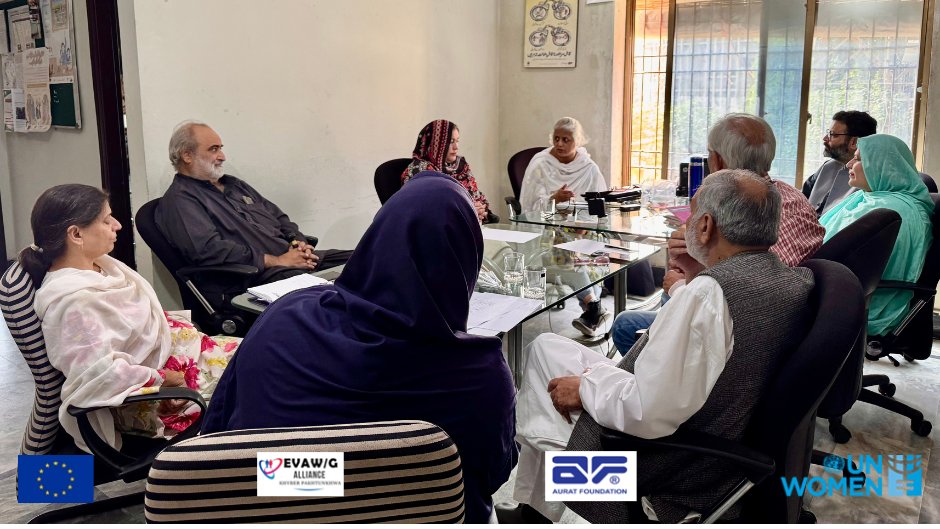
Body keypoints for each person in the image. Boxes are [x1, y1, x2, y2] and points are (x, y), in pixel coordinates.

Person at [202, 171, 517, 524]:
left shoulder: (284, 317)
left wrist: (332, 481)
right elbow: (493, 474)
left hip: (279, 508)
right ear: (466, 260)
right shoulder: (481, 375)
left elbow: (219, 433)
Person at [504, 170, 814, 524]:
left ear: (706, 226)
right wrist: (693, 277)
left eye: (692, 215)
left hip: (663, 473)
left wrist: (587, 388)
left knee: (545, 396)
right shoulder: (788, 278)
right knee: (546, 347)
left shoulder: (709, 295)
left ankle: (543, 509)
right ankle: (533, 509)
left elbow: (647, 414)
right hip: (713, 442)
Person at [23, 185, 240, 453]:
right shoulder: (75, 304)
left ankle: (294, 479)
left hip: (185, 357)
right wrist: (164, 378)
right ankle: (288, 482)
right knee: (267, 380)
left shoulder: (102, 267)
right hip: (153, 396)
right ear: (76, 234)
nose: (117, 225)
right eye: (106, 220)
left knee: (273, 351)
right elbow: (100, 374)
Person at [611, 112, 824, 353]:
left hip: (739, 336)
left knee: (625, 324)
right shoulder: (786, 195)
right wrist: (694, 267)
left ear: (718, 162)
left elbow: (744, 295)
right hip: (770, 326)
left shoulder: (754, 210)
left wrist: (683, 285)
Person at [155, 120, 352, 309]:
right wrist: (277, 261)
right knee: (329, 297)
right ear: (187, 156)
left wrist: (298, 243)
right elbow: (208, 250)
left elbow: (279, 217)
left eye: (221, 148)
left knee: (364, 260)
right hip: (254, 278)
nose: (222, 156)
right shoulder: (181, 199)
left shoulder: (234, 185)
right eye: (213, 149)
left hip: (290, 261)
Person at [820, 134, 933, 337]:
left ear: (882, 165)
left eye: (859, 159)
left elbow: (842, 256)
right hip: (839, 286)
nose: (849, 165)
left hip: (863, 301)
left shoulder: (895, 211)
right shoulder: (867, 198)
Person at [518, 117, 612, 336]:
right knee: (566, 247)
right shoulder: (540, 163)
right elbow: (528, 205)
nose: (559, 144)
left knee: (594, 243)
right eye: (556, 138)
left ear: (577, 141)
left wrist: (585, 225)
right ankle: (592, 307)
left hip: (580, 227)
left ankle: (591, 309)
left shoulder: (588, 167)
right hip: (546, 227)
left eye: (566, 140)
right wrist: (554, 198)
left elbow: (598, 205)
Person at [401, 119, 497, 223]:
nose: (456, 147)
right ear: (435, 143)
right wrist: (468, 212)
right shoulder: (419, 171)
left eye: (457, 141)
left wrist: (481, 210)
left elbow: (477, 197)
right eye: (450, 142)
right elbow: (425, 210)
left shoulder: (461, 166)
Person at [802, 111, 878, 215]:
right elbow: (800, 198)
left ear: (854, 142)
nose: (825, 139)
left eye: (833, 134)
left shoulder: (869, 182)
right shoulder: (827, 166)